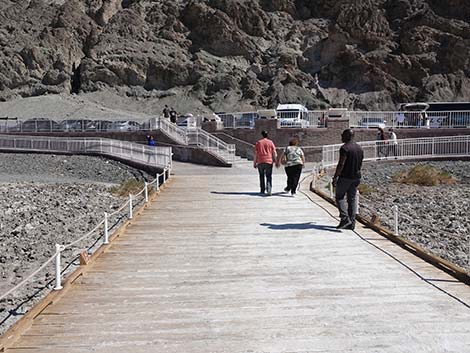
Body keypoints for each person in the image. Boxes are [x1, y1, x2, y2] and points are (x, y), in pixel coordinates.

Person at [332, 129, 364, 230]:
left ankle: (345, 218)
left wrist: (336, 176)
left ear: (347, 136)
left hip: (345, 177)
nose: (341, 137)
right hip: (356, 177)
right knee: (352, 199)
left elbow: (341, 164)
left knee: (339, 197)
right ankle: (352, 222)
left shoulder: (344, 148)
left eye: (342, 135)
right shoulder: (360, 148)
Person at [254, 130, 277, 196]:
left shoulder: (258, 142)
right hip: (269, 161)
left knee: (261, 176)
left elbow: (256, 153)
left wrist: (254, 162)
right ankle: (269, 189)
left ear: (262, 135)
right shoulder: (270, 142)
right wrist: (276, 160)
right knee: (269, 176)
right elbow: (274, 152)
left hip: (260, 161)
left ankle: (262, 190)